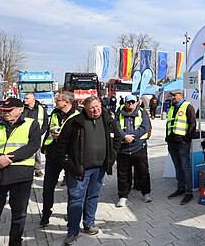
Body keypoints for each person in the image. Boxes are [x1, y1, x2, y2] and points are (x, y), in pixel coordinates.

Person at [55, 96, 121, 245]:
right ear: (84, 108)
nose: (95, 110)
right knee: (76, 199)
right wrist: (69, 164)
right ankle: (73, 231)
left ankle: (89, 224)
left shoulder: (108, 121)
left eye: (97, 107)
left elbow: (117, 139)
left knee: (93, 197)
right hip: (79, 170)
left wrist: (112, 156)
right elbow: (61, 147)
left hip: (99, 168)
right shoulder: (74, 122)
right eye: (91, 108)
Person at [0, 97, 41, 246]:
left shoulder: (31, 124)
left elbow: (32, 146)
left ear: (20, 110)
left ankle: (15, 242)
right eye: (3, 110)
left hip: (20, 175)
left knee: (19, 214)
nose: (6, 113)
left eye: (9, 110)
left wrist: (9, 159)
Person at [39, 91, 80, 227]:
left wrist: (63, 136)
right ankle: (46, 214)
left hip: (70, 156)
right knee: (48, 187)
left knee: (72, 188)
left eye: (58, 100)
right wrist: (45, 147)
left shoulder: (78, 115)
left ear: (66, 102)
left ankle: (71, 213)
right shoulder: (55, 113)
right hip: (53, 155)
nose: (55, 102)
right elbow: (50, 129)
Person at [114, 95, 152, 208]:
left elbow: (145, 127)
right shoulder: (119, 112)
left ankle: (146, 193)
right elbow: (116, 127)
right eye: (128, 102)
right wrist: (124, 136)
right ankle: (123, 196)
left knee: (143, 172)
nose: (130, 104)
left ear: (136, 103)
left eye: (132, 102)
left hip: (139, 147)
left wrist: (132, 136)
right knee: (123, 174)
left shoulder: (142, 112)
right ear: (125, 103)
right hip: (123, 148)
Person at [165, 89, 196, 205]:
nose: (172, 97)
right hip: (171, 142)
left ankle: (189, 192)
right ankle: (181, 188)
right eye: (172, 96)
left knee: (185, 167)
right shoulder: (172, 108)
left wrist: (186, 139)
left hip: (182, 142)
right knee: (177, 166)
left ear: (181, 95)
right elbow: (169, 124)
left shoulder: (188, 106)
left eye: (174, 95)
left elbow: (192, 124)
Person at [23, 93, 49, 178]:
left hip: (36, 134)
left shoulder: (41, 109)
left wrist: (40, 132)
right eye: (25, 98)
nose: (24, 100)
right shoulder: (22, 108)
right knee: (24, 151)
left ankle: (37, 170)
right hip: (23, 133)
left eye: (27, 98)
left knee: (36, 152)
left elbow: (45, 122)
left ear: (33, 99)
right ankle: (26, 169)